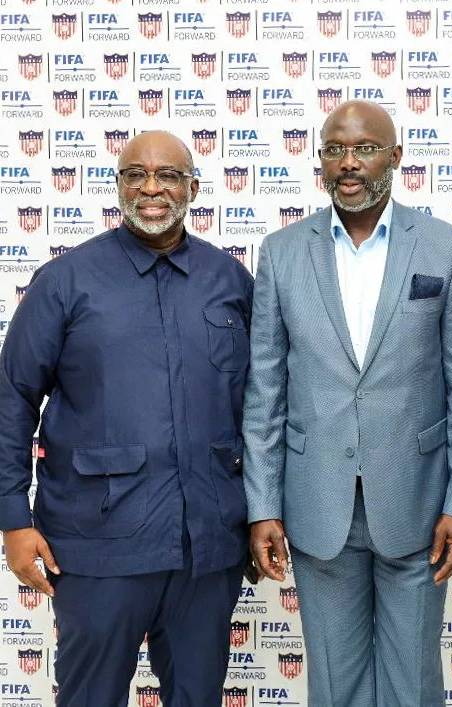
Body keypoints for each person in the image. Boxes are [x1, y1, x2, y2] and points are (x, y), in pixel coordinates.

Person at [243, 100, 452, 706]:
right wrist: (262, 506)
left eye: (365, 148)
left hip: (420, 502)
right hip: (317, 504)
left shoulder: (445, 247)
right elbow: (265, 392)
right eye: (335, 149)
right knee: (334, 683)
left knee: (413, 684)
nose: (348, 163)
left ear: (395, 157)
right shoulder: (280, 252)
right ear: (321, 161)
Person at [0, 131, 253, 706]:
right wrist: (13, 519)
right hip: (96, 548)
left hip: (206, 549)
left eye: (167, 175)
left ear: (194, 186)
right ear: (117, 186)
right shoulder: (66, 282)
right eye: (134, 174)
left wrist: (263, 512)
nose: (151, 188)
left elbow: (263, 409)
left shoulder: (230, 282)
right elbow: (12, 398)